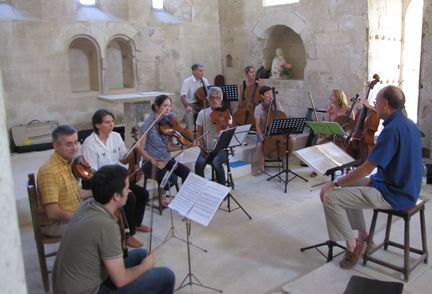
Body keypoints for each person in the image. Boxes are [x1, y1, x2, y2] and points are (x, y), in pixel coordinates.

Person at [319, 85, 422, 269]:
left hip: (394, 195)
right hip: (405, 188)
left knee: (331, 197)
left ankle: (352, 247)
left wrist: (333, 183)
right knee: (349, 185)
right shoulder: (410, 124)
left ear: (385, 104)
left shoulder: (391, 130)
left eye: (376, 101)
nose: (374, 104)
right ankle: (364, 236)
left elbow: (366, 168)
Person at [52, 164, 175, 294]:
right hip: (89, 290)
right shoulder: (106, 225)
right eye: (127, 188)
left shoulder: (88, 204)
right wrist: (145, 267)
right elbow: (120, 280)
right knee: (166, 276)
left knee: (141, 254)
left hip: (70, 284)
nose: (129, 192)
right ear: (116, 196)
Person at [81, 109, 150, 248]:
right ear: (97, 125)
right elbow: (94, 173)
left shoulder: (116, 136)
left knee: (143, 193)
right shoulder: (89, 144)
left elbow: (123, 158)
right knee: (130, 198)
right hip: (101, 183)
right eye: (107, 122)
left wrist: (134, 151)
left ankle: (136, 223)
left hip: (118, 179)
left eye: (112, 121)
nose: (111, 125)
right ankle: (128, 234)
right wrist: (119, 188)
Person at [37, 125, 92, 237]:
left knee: (108, 208)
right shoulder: (49, 171)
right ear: (56, 146)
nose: (75, 148)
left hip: (73, 212)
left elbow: (75, 192)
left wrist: (97, 192)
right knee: (98, 225)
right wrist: (80, 216)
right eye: (69, 144)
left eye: (76, 142)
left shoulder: (69, 163)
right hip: (56, 224)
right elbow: (53, 213)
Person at [139, 94, 192, 206]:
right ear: (157, 107)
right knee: (169, 178)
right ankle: (163, 193)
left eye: (169, 106)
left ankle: (185, 198)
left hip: (165, 158)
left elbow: (169, 147)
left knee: (186, 172)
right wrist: (154, 161)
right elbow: (141, 149)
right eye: (165, 106)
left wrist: (184, 146)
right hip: (149, 161)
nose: (168, 108)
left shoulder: (169, 122)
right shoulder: (147, 124)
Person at [254, 86, 296, 176]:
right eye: (268, 93)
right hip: (264, 132)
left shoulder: (277, 104)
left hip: (279, 131)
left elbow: (282, 117)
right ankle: (261, 167)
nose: (270, 95)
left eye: (271, 93)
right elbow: (257, 126)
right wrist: (261, 136)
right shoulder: (258, 108)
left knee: (293, 139)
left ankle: (285, 160)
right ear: (262, 96)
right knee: (259, 144)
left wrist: (276, 108)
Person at [195, 86, 233, 185]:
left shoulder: (226, 113)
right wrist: (203, 148)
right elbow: (199, 132)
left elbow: (228, 132)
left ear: (222, 99)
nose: (215, 100)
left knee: (216, 163)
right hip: (207, 148)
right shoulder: (202, 113)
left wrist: (221, 119)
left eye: (218, 97)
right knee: (199, 164)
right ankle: (201, 188)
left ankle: (222, 190)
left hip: (222, 150)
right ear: (208, 99)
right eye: (212, 98)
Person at [180, 63, 210, 131]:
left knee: (210, 112)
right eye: (200, 71)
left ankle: (208, 131)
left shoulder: (204, 80)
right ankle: (190, 135)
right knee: (188, 114)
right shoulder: (187, 81)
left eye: (203, 71)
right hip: (192, 105)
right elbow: (183, 96)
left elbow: (209, 93)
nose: (202, 73)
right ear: (194, 71)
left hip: (203, 104)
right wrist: (187, 106)